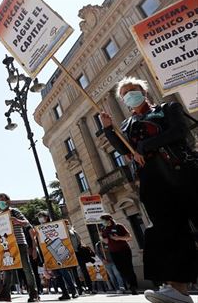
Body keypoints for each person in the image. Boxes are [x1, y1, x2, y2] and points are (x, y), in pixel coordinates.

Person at [100, 76, 197, 303]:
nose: (129, 95)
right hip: (152, 181)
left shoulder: (167, 109)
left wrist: (145, 146)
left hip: (181, 171)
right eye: (124, 94)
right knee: (168, 231)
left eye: (132, 90)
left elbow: (178, 132)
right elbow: (125, 150)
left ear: (143, 92)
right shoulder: (127, 125)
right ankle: (177, 289)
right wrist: (108, 130)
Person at [0, 193, 40, 302]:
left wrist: (17, 221)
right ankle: (5, 294)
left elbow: (27, 223)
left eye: (2, 200)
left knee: (26, 269)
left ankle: (34, 294)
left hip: (19, 243)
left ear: (8, 201)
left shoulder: (14, 211)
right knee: (7, 270)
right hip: (7, 246)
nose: (0, 202)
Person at [99, 214, 138, 295]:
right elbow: (106, 241)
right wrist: (102, 238)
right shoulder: (104, 229)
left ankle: (133, 286)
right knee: (121, 269)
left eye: (103, 220)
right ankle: (128, 283)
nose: (102, 222)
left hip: (124, 250)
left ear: (109, 219)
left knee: (129, 268)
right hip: (114, 252)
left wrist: (118, 238)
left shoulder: (119, 226)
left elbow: (129, 237)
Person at [65, 220, 94, 295]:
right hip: (76, 253)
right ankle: (87, 288)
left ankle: (82, 289)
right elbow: (79, 240)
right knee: (80, 272)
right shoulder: (73, 231)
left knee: (77, 272)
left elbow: (79, 241)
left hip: (74, 253)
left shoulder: (70, 232)